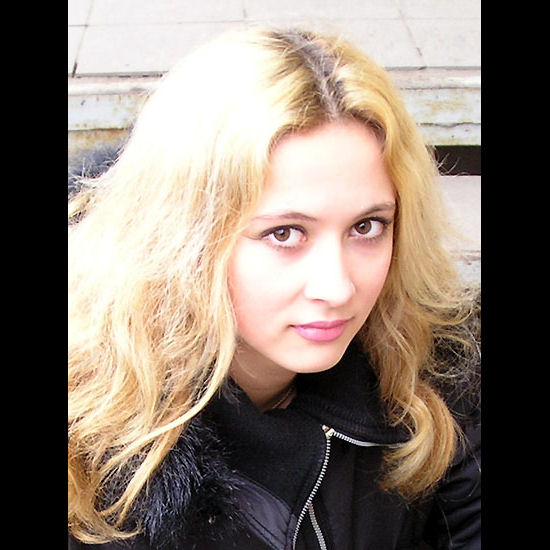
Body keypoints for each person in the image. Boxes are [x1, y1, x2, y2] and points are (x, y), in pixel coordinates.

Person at [68, 27, 481, 549]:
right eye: (284, 234)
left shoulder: (440, 378)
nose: (337, 288)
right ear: (183, 236)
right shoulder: (87, 442)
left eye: (366, 226)